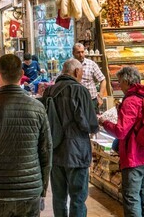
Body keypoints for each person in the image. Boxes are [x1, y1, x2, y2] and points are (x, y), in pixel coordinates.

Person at [0, 54, 52, 217]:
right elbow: (46, 152)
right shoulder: (37, 108)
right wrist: (42, 189)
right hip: (29, 191)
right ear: (21, 74)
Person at [99, 66, 144, 217]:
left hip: (135, 158)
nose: (119, 86)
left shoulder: (131, 101)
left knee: (132, 198)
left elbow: (121, 131)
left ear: (127, 81)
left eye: (120, 82)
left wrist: (104, 122)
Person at [41, 58, 98, 217]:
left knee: (59, 197)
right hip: (77, 152)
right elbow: (89, 124)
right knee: (78, 198)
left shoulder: (49, 91)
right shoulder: (80, 90)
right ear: (76, 72)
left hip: (55, 151)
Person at [72, 43, 107, 112]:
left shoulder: (91, 64)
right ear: (73, 53)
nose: (81, 54)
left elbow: (103, 80)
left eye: (82, 52)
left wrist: (100, 96)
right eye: (78, 52)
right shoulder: (70, 64)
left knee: (93, 122)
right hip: (75, 100)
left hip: (91, 100)